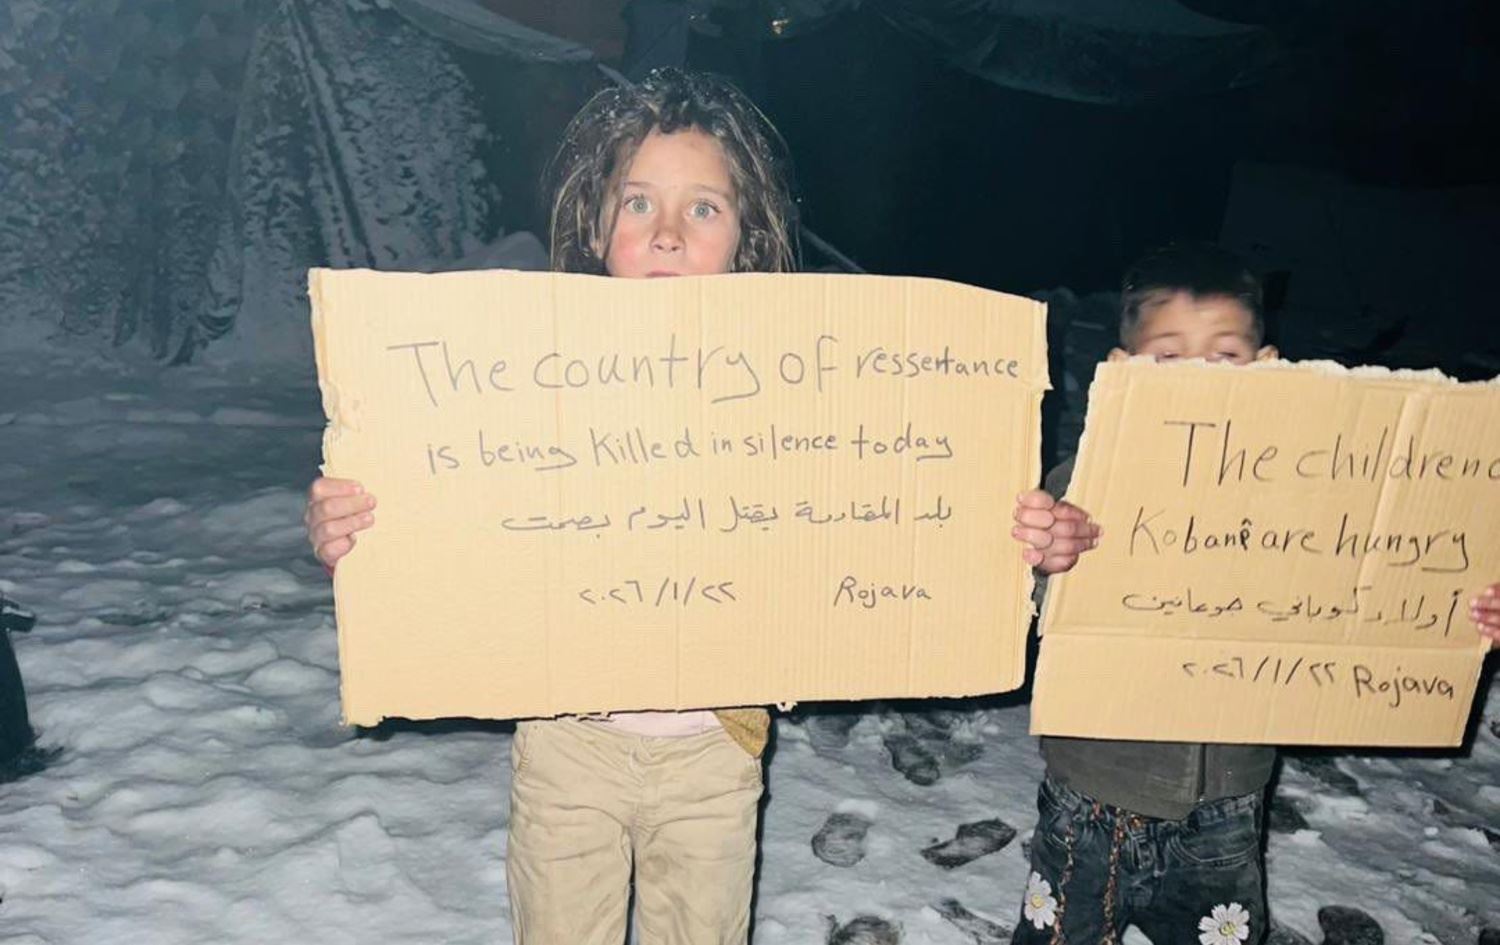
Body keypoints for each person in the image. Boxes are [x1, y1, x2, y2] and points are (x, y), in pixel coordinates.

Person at [303, 68, 798, 944]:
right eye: (639, 202)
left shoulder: (793, 396)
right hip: (570, 744)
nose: (669, 234)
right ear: (597, 225)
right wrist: (355, 528)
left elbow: (848, 530)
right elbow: (447, 503)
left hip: (714, 751)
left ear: (746, 236)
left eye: (704, 208)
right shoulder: (527, 381)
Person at [1009, 241, 1500, 945]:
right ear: (1121, 368)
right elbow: (1023, 591)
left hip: (1230, 802)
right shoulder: (1089, 480)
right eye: (1169, 357)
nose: (1200, 379)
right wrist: (1048, 553)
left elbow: (1370, 584)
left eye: (1225, 356)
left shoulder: (1307, 495)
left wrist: (1462, 610)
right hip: (1094, 793)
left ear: (1267, 366)